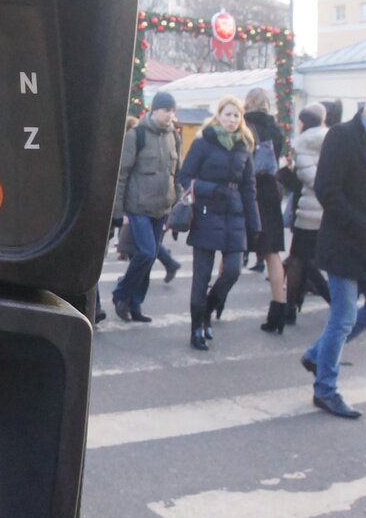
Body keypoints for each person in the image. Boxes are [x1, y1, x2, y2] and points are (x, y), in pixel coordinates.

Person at [301, 81, 366, 419]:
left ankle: (318, 355)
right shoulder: (342, 136)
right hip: (342, 239)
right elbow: (326, 188)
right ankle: (325, 389)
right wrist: (356, 223)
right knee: (344, 316)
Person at [178, 95, 259, 350]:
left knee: (233, 271)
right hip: (205, 212)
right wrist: (210, 189)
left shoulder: (244, 147)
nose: (232, 120)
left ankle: (207, 312)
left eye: (237, 115)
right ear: (218, 116)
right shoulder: (204, 143)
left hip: (234, 215)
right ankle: (196, 329)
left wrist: (254, 225)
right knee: (201, 277)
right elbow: (185, 176)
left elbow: (249, 188)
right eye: (228, 114)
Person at [109, 91, 180, 323]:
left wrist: (174, 200)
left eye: (172, 110)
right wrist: (118, 211)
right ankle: (121, 293)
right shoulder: (136, 135)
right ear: (154, 109)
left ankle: (135, 304)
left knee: (148, 259)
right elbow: (122, 174)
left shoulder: (173, 137)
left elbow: (174, 173)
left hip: (161, 207)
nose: (170, 115)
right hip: (138, 206)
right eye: (166, 110)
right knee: (147, 252)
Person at [243, 88, 288, 333]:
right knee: (272, 253)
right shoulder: (276, 129)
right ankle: (278, 309)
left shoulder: (245, 126)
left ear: (248, 103)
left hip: (250, 191)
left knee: (233, 247)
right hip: (270, 192)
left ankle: (213, 303)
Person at [282, 102, 331, 324]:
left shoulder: (303, 144)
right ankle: (292, 307)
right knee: (304, 260)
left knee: (301, 261)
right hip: (329, 211)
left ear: (303, 122)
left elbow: (311, 179)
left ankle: (294, 307)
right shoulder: (332, 139)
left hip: (309, 212)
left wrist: (287, 173)